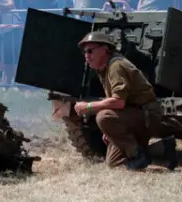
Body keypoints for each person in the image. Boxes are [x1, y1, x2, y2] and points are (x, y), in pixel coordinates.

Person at [68, 31, 175, 171]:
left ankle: (136, 155)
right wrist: (110, 131)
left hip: (147, 115)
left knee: (103, 116)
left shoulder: (116, 66)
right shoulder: (104, 68)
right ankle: (163, 148)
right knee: (114, 162)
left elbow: (118, 102)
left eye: (90, 51)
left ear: (104, 50)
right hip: (134, 115)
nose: (86, 55)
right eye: (84, 52)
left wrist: (88, 106)